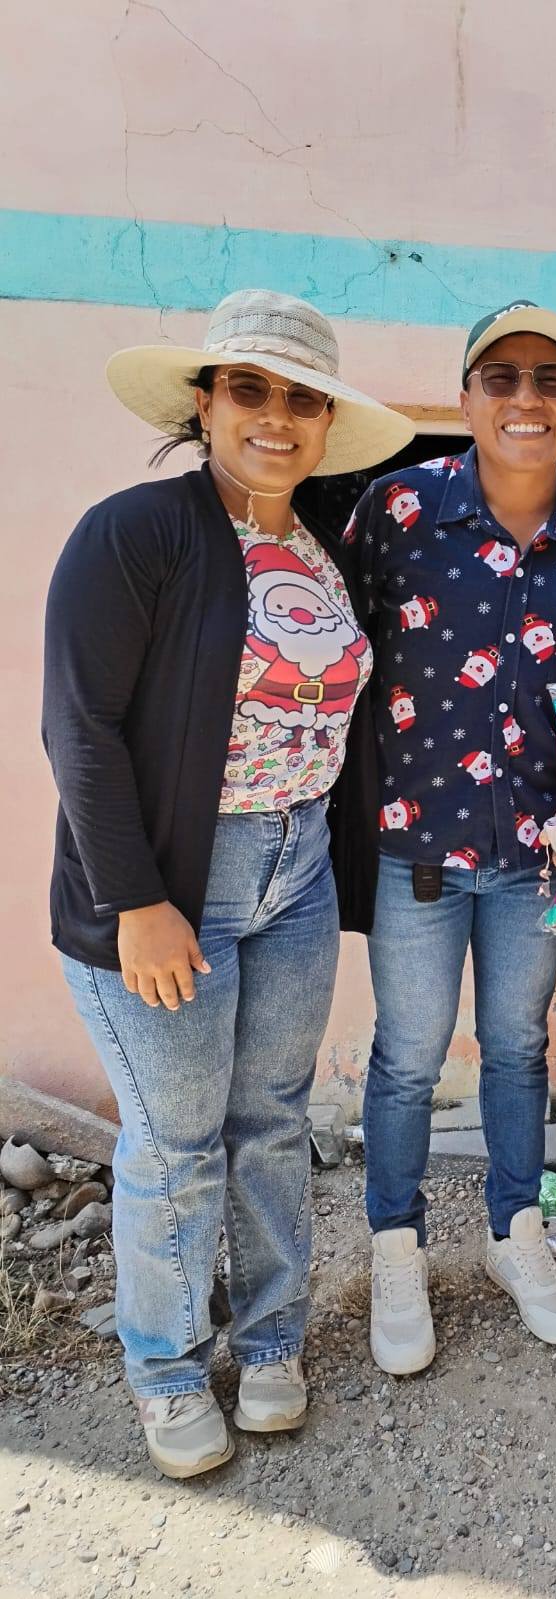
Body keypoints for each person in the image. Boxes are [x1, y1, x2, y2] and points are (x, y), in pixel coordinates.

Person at [43, 290, 413, 1478]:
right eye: (249, 389)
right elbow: (80, 729)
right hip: (170, 884)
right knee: (176, 1142)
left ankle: (269, 1343)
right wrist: (137, 902)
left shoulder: (326, 548)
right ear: (204, 403)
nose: (276, 417)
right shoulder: (136, 533)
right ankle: (164, 1368)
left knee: (270, 1127)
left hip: (293, 877)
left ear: (326, 424)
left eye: (303, 398)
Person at [346, 300, 556, 1374]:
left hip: (536, 859)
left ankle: (516, 1234)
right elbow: (339, 642)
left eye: (550, 380)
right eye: (501, 377)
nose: (526, 398)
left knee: (517, 1048)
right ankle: (397, 1249)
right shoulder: (398, 510)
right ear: (466, 398)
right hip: (416, 849)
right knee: (407, 1058)